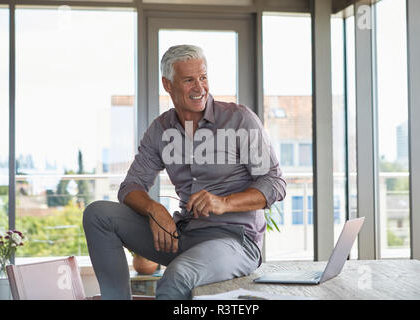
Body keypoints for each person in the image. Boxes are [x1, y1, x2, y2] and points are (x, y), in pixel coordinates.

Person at [82, 44, 286, 300]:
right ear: (168, 85)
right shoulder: (160, 130)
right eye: (189, 80)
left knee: (177, 277)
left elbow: (274, 183)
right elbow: (130, 187)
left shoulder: (239, 120)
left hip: (235, 240)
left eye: (203, 77)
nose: (200, 88)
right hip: (183, 233)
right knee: (98, 214)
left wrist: (224, 203)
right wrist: (155, 210)